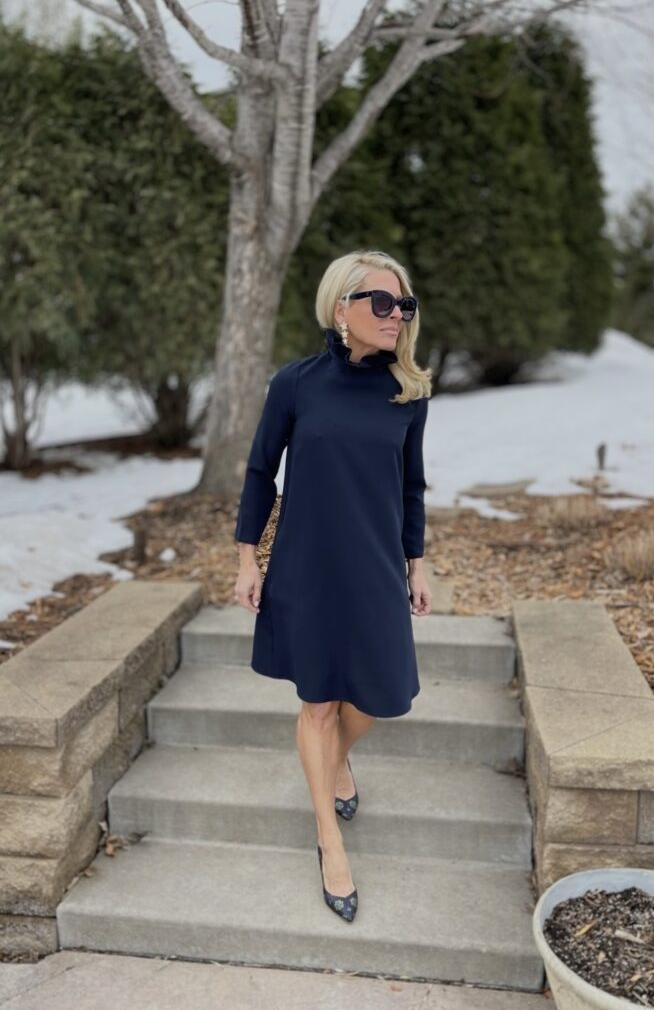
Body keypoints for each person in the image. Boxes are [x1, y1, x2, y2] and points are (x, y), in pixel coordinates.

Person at [234, 250, 432, 924]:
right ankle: (329, 839)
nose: (396, 315)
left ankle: (332, 761)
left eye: (404, 305)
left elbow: (411, 486)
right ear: (341, 307)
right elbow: (260, 471)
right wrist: (247, 559)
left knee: (381, 695)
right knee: (318, 703)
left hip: (375, 566)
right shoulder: (295, 384)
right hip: (307, 566)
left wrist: (416, 563)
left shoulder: (408, 392)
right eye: (382, 302)